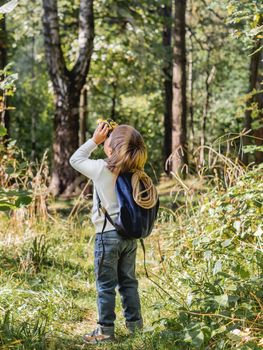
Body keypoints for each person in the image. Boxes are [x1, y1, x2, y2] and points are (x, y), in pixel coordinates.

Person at [69, 122, 150, 344]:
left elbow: (75, 159)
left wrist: (95, 140)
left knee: (105, 287)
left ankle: (104, 332)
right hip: (130, 237)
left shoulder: (101, 168)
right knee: (128, 283)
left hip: (107, 237)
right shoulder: (136, 171)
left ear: (111, 148)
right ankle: (136, 329)